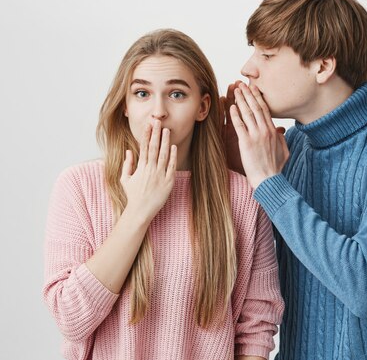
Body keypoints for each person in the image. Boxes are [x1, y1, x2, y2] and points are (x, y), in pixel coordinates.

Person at [223, 0, 367, 360]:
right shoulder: (285, 149)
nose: (248, 68)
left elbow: (364, 285)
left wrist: (267, 181)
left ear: (322, 67)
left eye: (267, 54)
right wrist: (238, 174)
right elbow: (251, 289)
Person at [43, 29, 284, 360]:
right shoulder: (79, 186)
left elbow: (255, 328)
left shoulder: (242, 195)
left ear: (203, 107)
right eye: (142, 93)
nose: (157, 111)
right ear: (124, 106)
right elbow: (71, 318)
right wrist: (139, 210)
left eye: (176, 94)